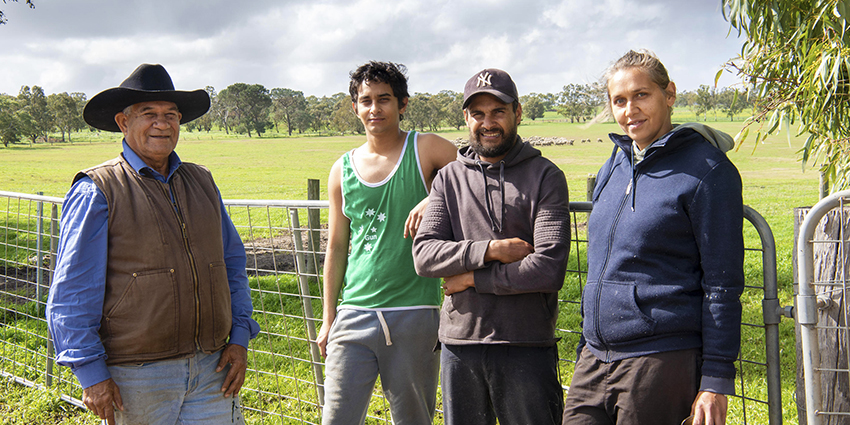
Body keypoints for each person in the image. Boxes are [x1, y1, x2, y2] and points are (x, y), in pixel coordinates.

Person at [46, 63, 260, 425]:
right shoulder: (97, 190)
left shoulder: (202, 181)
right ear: (123, 122)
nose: (162, 124)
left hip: (212, 367)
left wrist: (239, 336)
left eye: (171, 115)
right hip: (136, 375)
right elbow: (73, 291)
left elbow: (231, 264)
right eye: (149, 114)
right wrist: (91, 372)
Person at [561, 50, 744, 425]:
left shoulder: (708, 171)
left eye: (641, 95)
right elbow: (602, 263)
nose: (630, 110)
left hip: (660, 357)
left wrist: (716, 378)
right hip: (595, 358)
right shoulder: (614, 165)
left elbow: (722, 283)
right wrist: (586, 342)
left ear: (669, 94)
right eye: (619, 100)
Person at [412, 68, 570, 425]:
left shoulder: (545, 176)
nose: (488, 123)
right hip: (460, 344)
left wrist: (471, 278)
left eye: (498, 111)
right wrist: (492, 250)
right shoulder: (448, 179)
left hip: (525, 342)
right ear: (466, 117)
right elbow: (424, 256)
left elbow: (548, 268)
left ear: (518, 112)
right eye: (478, 113)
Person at [316, 61, 457, 425]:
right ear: (355, 107)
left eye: (384, 99)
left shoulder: (425, 148)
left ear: (402, 104)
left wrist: (435, 196)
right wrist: (329, 318)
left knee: (413, 419)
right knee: (336, 418)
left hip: (415, 313)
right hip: (353, 313)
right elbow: (336, 246)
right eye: (366, 101)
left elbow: (476, 170)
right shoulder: (341, 169)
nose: (374, 108)